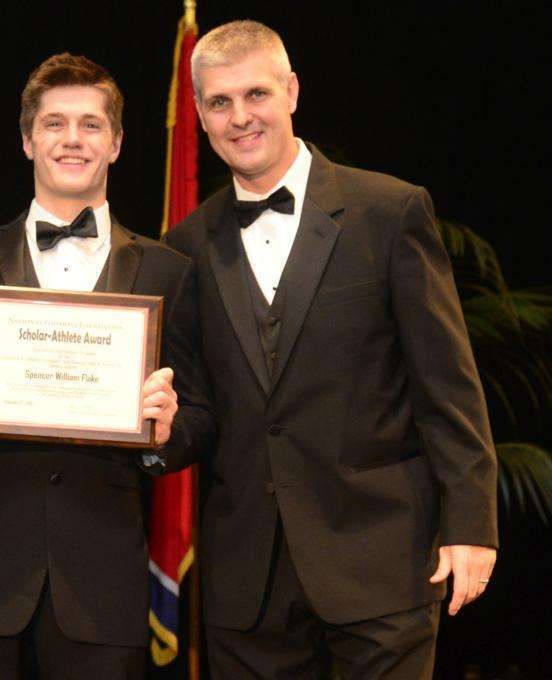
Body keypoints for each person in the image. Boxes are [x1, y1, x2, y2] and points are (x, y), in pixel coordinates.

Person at [164, 20, 498, 678]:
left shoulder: (389, 212)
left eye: (256, 94)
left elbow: (447, 384)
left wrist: (471, 524)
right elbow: (198, 413)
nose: (240, 117)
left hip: (381, 561)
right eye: (220, 102)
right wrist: (155, 430)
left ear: (291, 91)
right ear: (199, 113)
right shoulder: (186, 247)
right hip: (248, 585)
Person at [0, 53, 214, 679]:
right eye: (54, 124)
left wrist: (166, 433)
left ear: (116, 143)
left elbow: (202, 415)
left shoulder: (168, 271)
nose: (73, 139)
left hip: (102, 586)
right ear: (27, 139)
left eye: (91, 125)